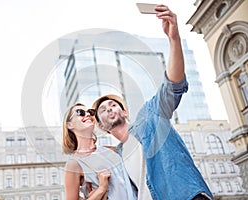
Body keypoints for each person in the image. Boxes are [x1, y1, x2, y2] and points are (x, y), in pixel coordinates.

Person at [92, 4, 214, 200]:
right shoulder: (120, 156)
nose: (110, 108)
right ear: (101, 125)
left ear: (125, 112)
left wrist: (173, 38)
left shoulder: (150, 115)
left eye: (114, 105)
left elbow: (173, 85)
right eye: (104, 110)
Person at [62, 103, 137, 200]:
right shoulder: (74, 164)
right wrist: (102, 188)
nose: (88, 114)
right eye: (80, 112)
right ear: (69, 125)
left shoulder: (112, 150)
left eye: (90, 112)